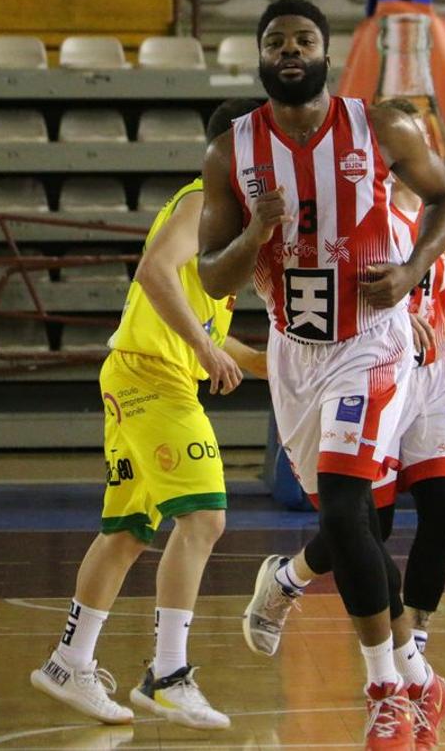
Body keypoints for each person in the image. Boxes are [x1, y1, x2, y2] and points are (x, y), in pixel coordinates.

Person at [198, 0, 445, 749]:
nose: (289, 48)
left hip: (372, 341)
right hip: (294, 351)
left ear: (325, 51)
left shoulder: (382, 125)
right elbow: (215, 280)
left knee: (351, 510)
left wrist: (412, 272)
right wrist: (258, 228)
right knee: (347, 527)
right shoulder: (231, 153)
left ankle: (386, 690)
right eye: (275, 38)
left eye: (303, 38)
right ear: (259, 56)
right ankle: (416, 675)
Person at [240, 98, 445, 714]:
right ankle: (289, 578)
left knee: (443, 504)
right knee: (364, 524)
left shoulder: (441, 218)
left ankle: (417, 652)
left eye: (428, 135)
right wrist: (400, 312)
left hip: (429, 378)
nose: (419, 144)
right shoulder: (356, 206)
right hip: (373, 362)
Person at [30, 98, 267, 730]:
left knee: (129, 531)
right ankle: (167, 673)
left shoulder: (226, 227)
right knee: (206, 518)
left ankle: (69, 661)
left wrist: (289, 363)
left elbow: (223, 337)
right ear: (239, 152)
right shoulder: (202, 202)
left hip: (142, 374)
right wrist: (204, 347)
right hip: (151, 378)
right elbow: (154, 272)